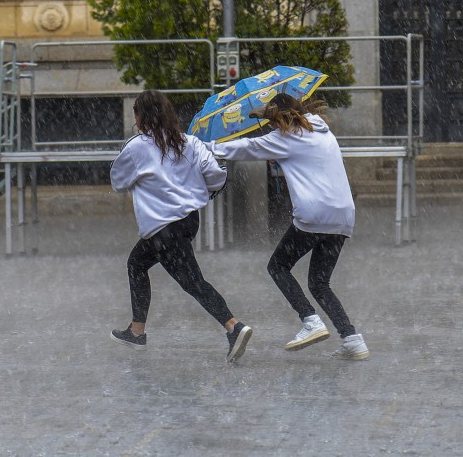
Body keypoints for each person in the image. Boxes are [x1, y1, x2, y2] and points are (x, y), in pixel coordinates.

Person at [214, 92, 369, 360]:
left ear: (278, 118)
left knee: (278, 266)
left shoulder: (286, 138)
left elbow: (243, 149)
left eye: (272, 122)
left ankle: (310, 321)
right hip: (342, 215)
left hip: (314, 214)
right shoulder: (323, 133)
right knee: (319, 283)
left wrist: (202, 147)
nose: (273, 127)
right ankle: (352, 339)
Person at [109, 89, 253, 362]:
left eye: (136, 113)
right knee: (137, 263)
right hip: (187, 222)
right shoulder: (191, 142)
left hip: (164, 227)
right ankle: (136, 331)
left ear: (140, 117)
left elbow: (118, 182)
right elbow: (215, 177)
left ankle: (234, 326)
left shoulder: (137, 146)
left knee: (192, 282)